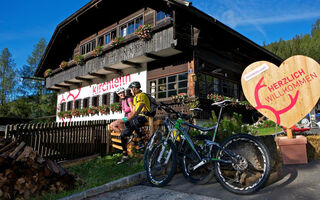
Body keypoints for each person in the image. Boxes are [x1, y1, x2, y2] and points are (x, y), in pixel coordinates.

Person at [117, 81, 151, 164]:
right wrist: (128, 120)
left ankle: (141, 140)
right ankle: (125, 155)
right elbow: (133, 111)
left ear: (135, 89)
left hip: (144, 116)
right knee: (123, 134)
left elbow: (139, 108)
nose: (130, 91)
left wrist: (131, 118)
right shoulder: (135, 97)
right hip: (136, 118)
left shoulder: (142, 95)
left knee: (135, 121)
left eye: (131, 90)